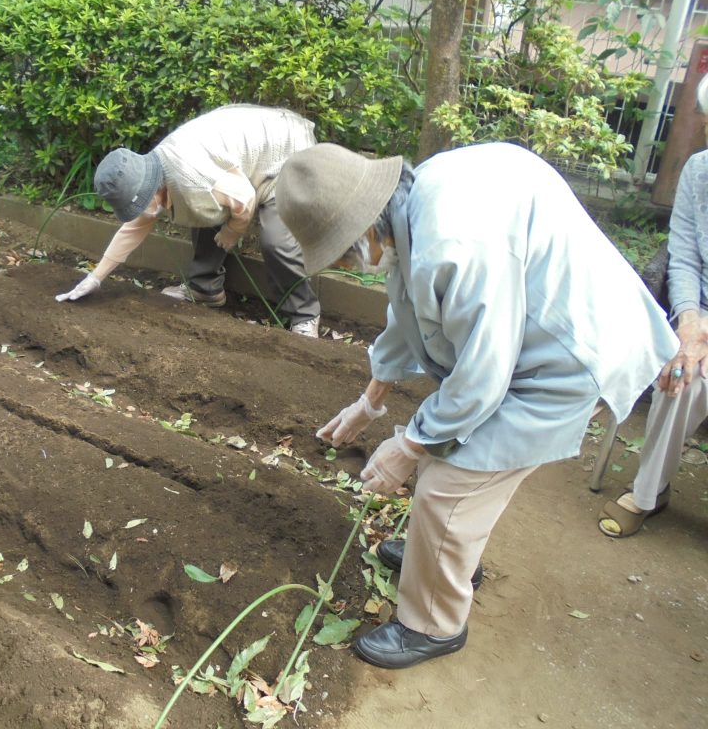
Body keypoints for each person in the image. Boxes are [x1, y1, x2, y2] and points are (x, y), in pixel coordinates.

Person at [274, 141, 677, 669]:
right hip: (530, 339)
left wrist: (409, 445)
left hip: (571, 354)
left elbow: (482, 380)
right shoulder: (413, 204)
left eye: (346, 252)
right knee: (456, 465)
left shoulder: (452, 241)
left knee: (449, 484)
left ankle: (432, 626)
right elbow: (408, 309)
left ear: (367, 225)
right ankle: (443, 560)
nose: (353, 265)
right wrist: (369, 404)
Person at [54, 104, 323, 337]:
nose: (141, 211)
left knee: (277, 241)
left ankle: (304, 314)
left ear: (152, 189)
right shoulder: (157, 173)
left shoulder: (193, 179)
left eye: (139, 203)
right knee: (200, 210)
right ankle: (205, 289)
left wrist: (232, 231)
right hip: (243, 164)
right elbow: (135, 227)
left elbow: (245, 199)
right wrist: (95, 277)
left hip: (287, 155)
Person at [598, 75, 708, 538]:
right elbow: (682, 256)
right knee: (683, 373)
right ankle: (649, 493)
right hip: (699, 311)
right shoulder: (699, 172)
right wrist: (689, 322)